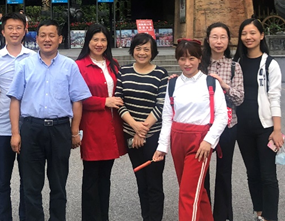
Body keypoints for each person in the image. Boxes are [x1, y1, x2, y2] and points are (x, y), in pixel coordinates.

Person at [7, 19, 91, 221]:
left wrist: (74, 132)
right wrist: (15, 133)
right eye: (43, 35)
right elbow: (15, 100)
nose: (47, 39)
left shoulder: (69, 66)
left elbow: (77, 101)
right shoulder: (24, 65)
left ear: (60, 39)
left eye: (52, 35)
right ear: (36, 39)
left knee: (58, 185)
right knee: (31, 186)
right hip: (31, 129)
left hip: (59, 129)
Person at [153, 39, 228, 221]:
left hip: (200, 140)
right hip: (177, 139)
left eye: (191, 58)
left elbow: (222, 116)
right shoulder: (173, 84)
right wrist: (162, 146)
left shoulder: (210, 82)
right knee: (195, 190)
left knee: (188, 194)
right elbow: (167, 117)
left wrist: (208, 141)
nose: (187, 63)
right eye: (182, 59)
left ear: (200, 59)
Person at [75, 24, 127, 221]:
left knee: (105, 177)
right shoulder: (79, 66)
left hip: (112, 128)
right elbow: (76, 97)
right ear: (88, 41)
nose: (99, 43)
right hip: (92, 128)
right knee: (91, 178)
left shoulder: (113, 64)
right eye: (95, 39)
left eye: (103, 40)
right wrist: (104, 101)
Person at [233, 18, 282, 221]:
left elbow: (274, 97)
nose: (248, 37)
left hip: (265, 127)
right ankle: (260, 213)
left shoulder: (270, 64)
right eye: (244, 33)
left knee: (268, 175)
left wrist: (277, 129)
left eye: (253, 33)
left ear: (261, 35)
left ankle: (271, 217)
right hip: (242, 128)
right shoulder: (236, 63)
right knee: (252, 173)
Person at [116, 32, 168, 221]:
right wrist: (135, 127)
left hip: (153, 136)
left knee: (154, 182)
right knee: (141, 181)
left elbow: (161, 105)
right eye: (138, 48)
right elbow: (119, 102)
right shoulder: (124, 72)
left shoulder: (160, 74)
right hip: (131, 135)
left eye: (146, 49)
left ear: (153, 52)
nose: (142, 52)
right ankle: (147, 217)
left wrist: (142, 130)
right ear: (132, 50)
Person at [0, 12, 34, 221]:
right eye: (10, 28)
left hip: (30, 128)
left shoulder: (34, 58)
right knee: (2, 182)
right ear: (3, 31)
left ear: (25, 31)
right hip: (2, 129)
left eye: (18, 28)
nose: (14, 32)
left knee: (28, 182)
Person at [201, 22, 244, 221]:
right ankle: (204, 213)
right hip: (204, 126)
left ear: (228, 40)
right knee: (202, 170)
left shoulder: (235, 66)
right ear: (207, 39)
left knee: (224, 170)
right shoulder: (199, 64)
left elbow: (239, 98)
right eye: (214, 37)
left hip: (228, 124)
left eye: (223, 37)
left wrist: (224, 85)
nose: (218, 41)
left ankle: (222, 215)